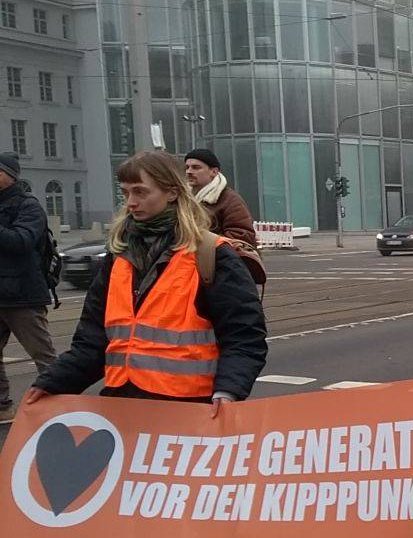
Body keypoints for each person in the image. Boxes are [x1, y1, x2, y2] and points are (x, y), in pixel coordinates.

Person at [23, 151, 268, 417]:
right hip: (123, 408)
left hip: (189, 411)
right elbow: (92, 341)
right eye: (126, 193)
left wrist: (228, 392)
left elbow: (244, 335)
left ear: (172, 193)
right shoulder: (119, 255)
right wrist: (51, 383)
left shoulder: (210, 253)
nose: (131, 202)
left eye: (140, 192)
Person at [0, 153, 57, 424]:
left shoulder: (28, 206)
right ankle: (2, 406)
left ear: (10, 175)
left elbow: (22, 241)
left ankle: (59, 403)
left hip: (23, 294)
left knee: (43, 354)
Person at [184, 149, 257, 248]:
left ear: (214, 172)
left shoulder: (230, 200)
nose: (189, 172)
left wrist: (204, 246)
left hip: (216, 260)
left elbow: (242, 236)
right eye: (187, 167)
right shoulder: (181, 199)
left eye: (196, 168)